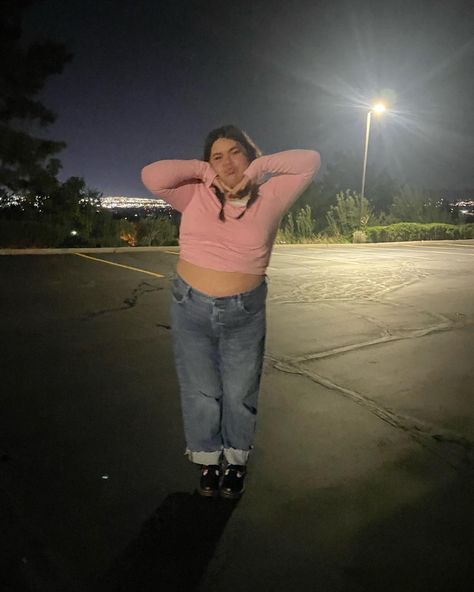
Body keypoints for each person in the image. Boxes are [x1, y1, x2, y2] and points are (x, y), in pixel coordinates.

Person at [141, 125, 320, 499]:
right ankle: (208, 457)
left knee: (239, 391)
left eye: (235, 152)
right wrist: (204, 171)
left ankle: (236, 461)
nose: (226, 162)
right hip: (189, 304)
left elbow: (310, 161)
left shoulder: (272, 194)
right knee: (201, 390)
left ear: (249, 155)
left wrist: (256, 170)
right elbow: (151, 175)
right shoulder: (195, 195)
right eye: (217, 156)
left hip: (244, 309)